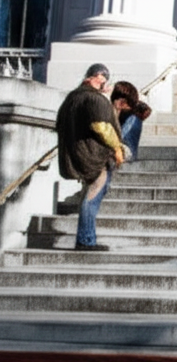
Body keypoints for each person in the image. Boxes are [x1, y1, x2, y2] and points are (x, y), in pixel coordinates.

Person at [55, 63, 125, 252]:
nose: (105, 82)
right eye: (104, 78)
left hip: (77, 154)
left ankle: (85, 238)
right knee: (93, 196)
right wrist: (117, 148)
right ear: (96, 77)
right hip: (95, 157)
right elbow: (102, 127)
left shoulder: (72, 97)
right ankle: (85, 240)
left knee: (89, 195)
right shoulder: (94, 99)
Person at [110, 81, 151, 161]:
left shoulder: (133, 118)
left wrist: (116, 112)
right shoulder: (125, 114)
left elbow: (118, 137)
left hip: (127, 152)